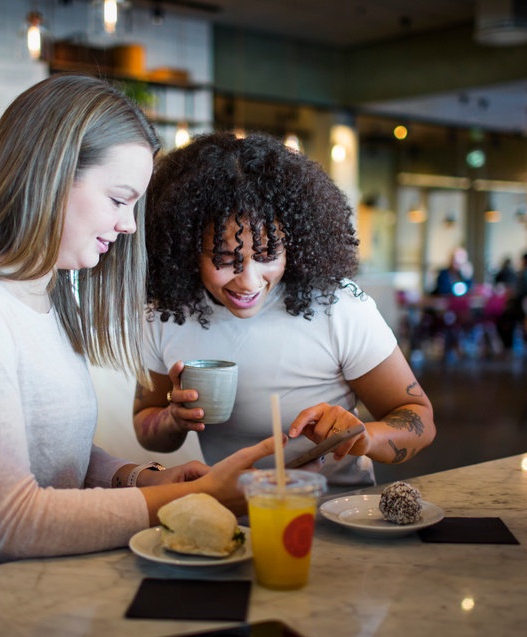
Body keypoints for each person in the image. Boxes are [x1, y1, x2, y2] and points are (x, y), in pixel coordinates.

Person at [0, 75, 277, 592]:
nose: (129, 227)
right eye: (120, 200)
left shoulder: (40, 292)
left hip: (26, 587)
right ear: (49, 175)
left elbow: (44, 448)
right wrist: (192, 498)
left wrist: (139, 478)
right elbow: (9, 523)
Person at [132, 132, 436, 487]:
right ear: (185, 249)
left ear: (294, 244)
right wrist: (172, 419)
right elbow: (146, 423)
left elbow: (419, 419)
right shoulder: (167, 314)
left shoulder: (338, 308)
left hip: (336, 514)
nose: (248, 281)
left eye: (266, 256)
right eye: (224, 258)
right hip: (232, 519)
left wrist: (365, 437)